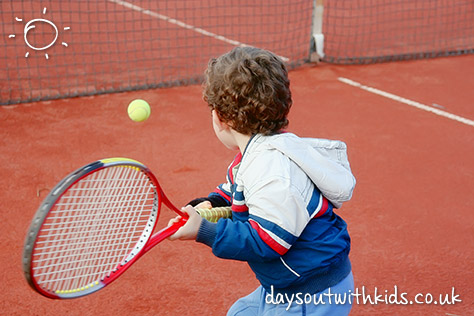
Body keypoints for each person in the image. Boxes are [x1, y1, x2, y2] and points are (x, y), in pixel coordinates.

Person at [169, 46, 356, 315]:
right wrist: (211, 203)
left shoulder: (272, 172)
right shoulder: (256, 153)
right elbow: (236, 189)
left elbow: (267, 241)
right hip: (288, 286)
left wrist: (204, 231)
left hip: (311, 293)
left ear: (221, 118)